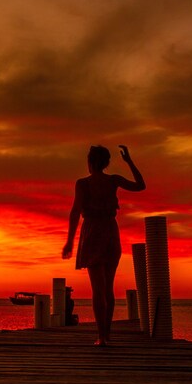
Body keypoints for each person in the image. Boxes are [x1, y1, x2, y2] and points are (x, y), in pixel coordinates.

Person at [62, 144, 145, 346]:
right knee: (108, 288)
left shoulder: (83, 183)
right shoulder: (113, 180)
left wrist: (69, 241)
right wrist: (129, 161)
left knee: (98, 289)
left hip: (92, 232)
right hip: (110, 231)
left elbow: (75, 212)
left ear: (90, 163)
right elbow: (140, 185)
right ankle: (106, 335)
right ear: (106, 163)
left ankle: (102, 337)